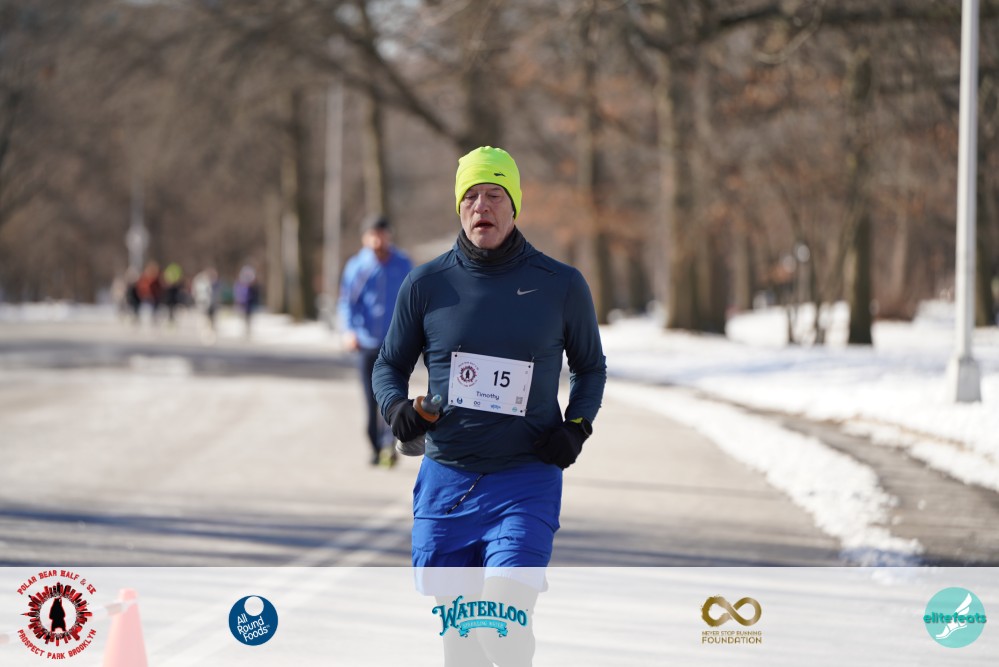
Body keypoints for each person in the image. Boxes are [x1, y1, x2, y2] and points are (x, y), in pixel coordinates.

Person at [372, 146, 606, 665]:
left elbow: (590, 368)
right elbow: (387, 365)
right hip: (448, 481)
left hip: (525, 479)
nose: (482, 206)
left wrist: (576, 426)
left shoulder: (560, 285)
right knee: (461, 645)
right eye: (471, 196)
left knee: (501, 624)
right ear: (459, 207)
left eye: (495, 195)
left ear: (514, 205)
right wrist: (397, 410)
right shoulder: (427, 284)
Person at [338, 214, 413, 467]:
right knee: (371, 398)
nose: (378, 240)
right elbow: (347, 302)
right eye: (373, 235)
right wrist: (349, 331)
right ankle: (374, 444)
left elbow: (413, 299)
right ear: (365, 238)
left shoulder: (402, 264)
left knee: (394, 394)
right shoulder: (358, 266)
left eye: (382, 234)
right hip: (366, 342)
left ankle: (389, 444)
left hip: (395, 344)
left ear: (389, 236)